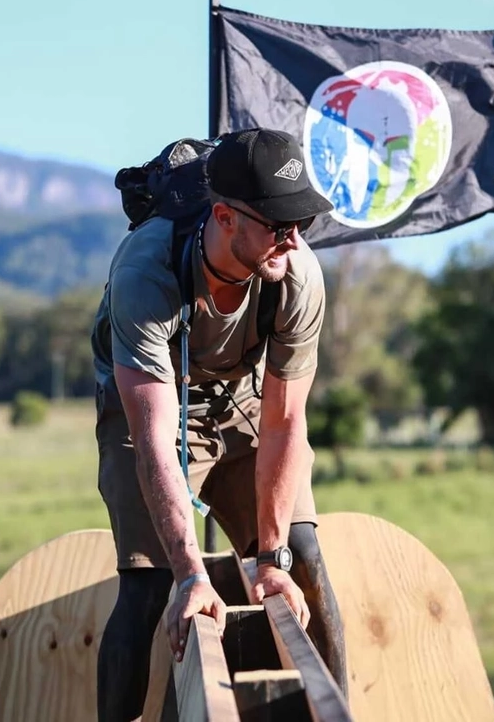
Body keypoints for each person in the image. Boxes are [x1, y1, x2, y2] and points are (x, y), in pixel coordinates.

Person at [90, 127, 348, 720]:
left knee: (304, 560)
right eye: (279, 225)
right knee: (151, 586)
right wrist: (189, 574)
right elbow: (154, 441)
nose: (295, 239)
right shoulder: (147, 270)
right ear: (226, 217)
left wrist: (273, 559)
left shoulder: (298, 277)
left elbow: (285, 424)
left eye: (302, 224)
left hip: (241, 398)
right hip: (153, 406)